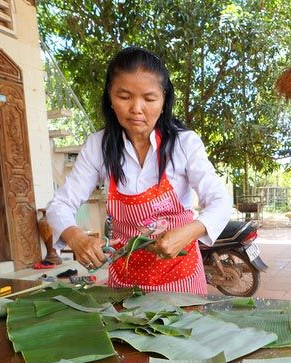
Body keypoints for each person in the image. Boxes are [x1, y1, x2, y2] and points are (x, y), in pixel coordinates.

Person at [47, 47, 232, 294]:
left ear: (164, 100)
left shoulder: (184, 144)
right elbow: (60, 205)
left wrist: (186, 234)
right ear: (110, 99)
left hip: (181, 275)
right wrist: (75, 236)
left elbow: (220, 202)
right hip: (126, 277)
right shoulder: (98, 146)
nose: (136, 108)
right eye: (124, 97)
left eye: (149, 98)